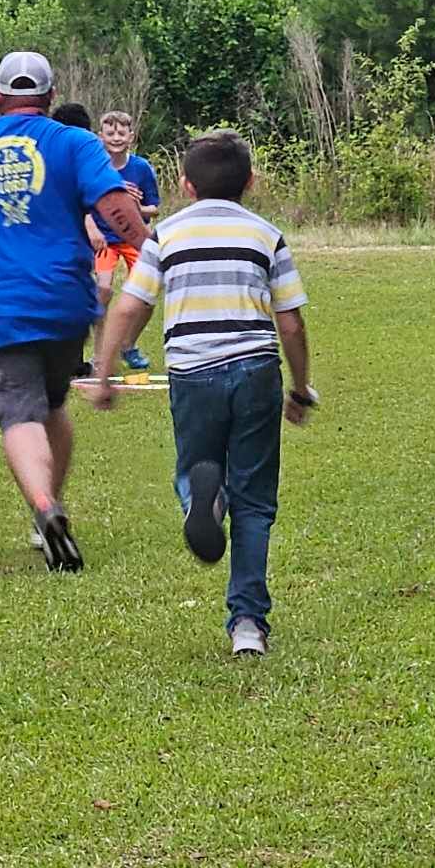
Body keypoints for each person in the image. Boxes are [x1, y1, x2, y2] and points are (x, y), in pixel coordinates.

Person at [0, 50, 145, 572]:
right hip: (64, 302)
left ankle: (44, 506)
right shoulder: (75, 142)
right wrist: (152, 254)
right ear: (49, 97)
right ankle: (51, 515)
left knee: (19, 413)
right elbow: (113, 206)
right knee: (54, 402)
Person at [86, 129, 316, 654]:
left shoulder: (164, 235)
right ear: (250, 182)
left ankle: (199, 499)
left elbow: (130, 306)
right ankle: (248, 625)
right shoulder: (266, 234)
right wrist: (300, 389)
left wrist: (103, 374)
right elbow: (293, 324)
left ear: (185, 186)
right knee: (255, 502)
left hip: (192, 373)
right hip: (256, 371)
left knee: (196, 468)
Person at [90, 109, 160, 375]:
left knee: (147, 294)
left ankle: (128, 345)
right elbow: (85, 202)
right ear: (101, 136)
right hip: (105, 240)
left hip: (133, 237)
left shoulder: (141, 168)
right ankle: (99, 355)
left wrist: (134, 207)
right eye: (110, 133)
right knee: (103, 290)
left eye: (122, 133)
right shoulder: (95, 167)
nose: (116, 138)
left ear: (131, 136)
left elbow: (154, 208)